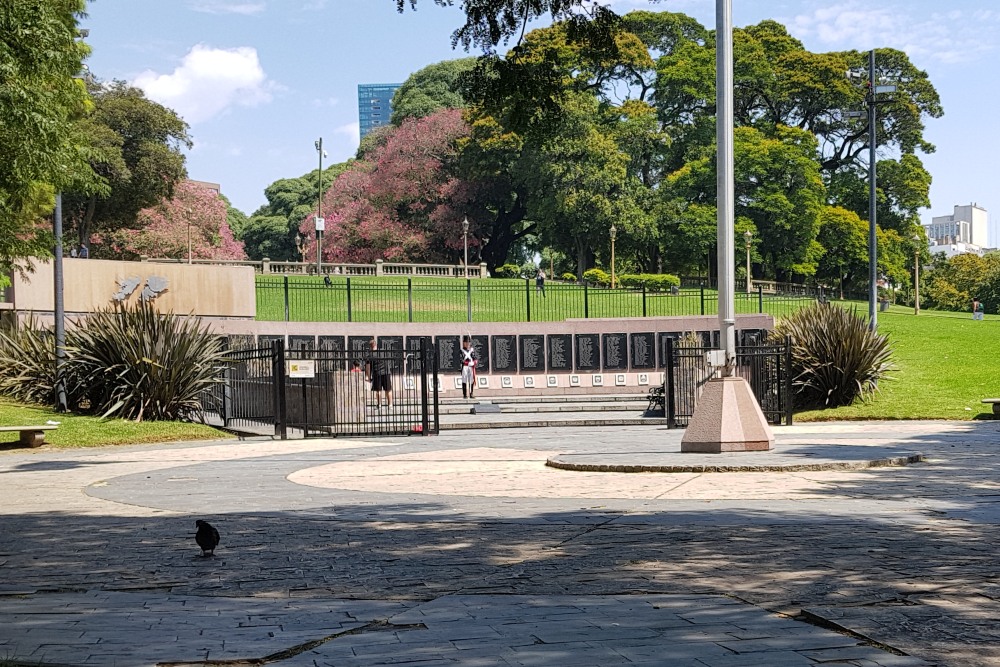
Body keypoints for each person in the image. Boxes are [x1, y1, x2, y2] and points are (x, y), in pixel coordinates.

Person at [364, 338, 393, 409]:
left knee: (378, 390)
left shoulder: (370, 355)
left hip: (377, 373)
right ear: (376, 344)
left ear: (370, 346)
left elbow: (368, 367)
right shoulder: (383, 351)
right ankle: (390, 405)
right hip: (386, 373)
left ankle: (379, 405)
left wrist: (368, 376)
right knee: (388, 389)